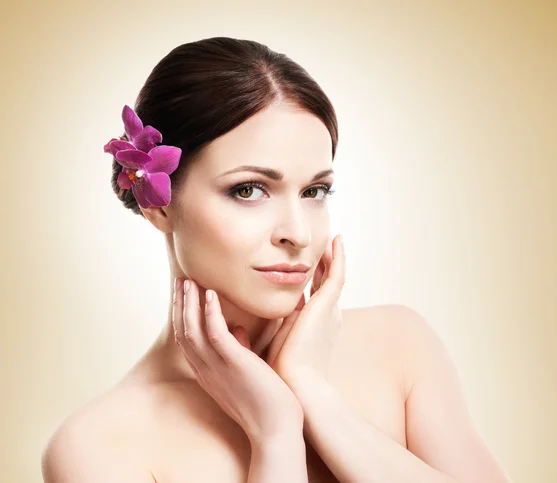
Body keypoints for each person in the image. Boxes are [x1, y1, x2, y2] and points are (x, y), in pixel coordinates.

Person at [41, 37, 512, 483]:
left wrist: (316, 395)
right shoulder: (98, 447)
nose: (298, 233)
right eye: (248, 190)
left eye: (314, 191)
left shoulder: (399, 346)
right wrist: (275, 436)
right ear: (158, 204)